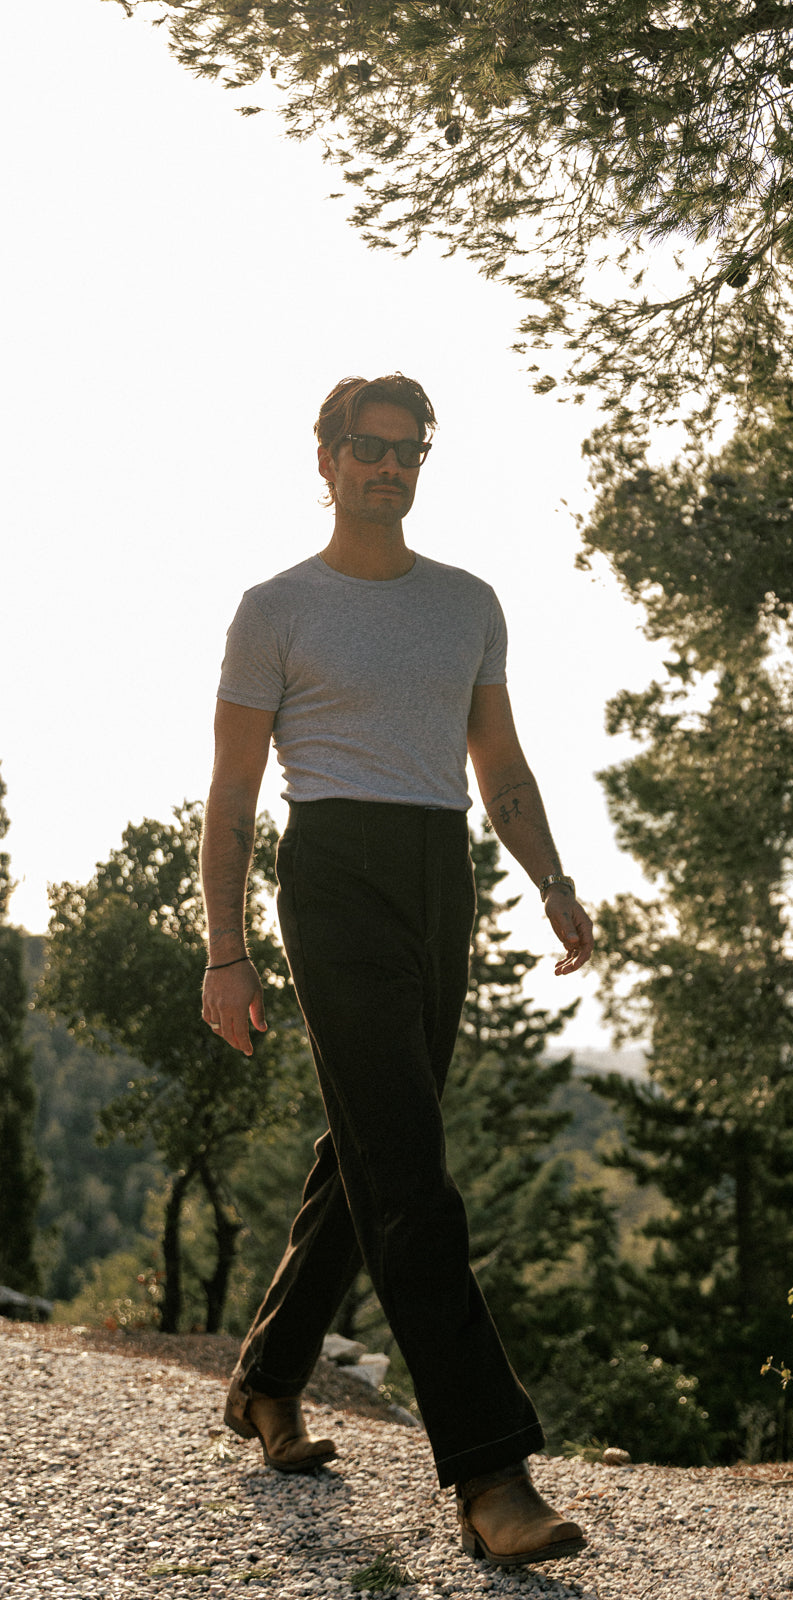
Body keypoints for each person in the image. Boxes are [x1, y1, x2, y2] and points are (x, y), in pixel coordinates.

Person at [200, 373, 595, 1570]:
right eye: (366, 448)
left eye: (406, 449)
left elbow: (500, 767)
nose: (387, 466)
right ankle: (489, 1471)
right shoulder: (275, 609)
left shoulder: (466, 604)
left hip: (439, 875)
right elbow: (232, 797)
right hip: (331, 876)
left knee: (371, 1142)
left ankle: (267, 1379)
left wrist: (552, 879)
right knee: (413, 1174)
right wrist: (225, 949)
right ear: (324, 458)